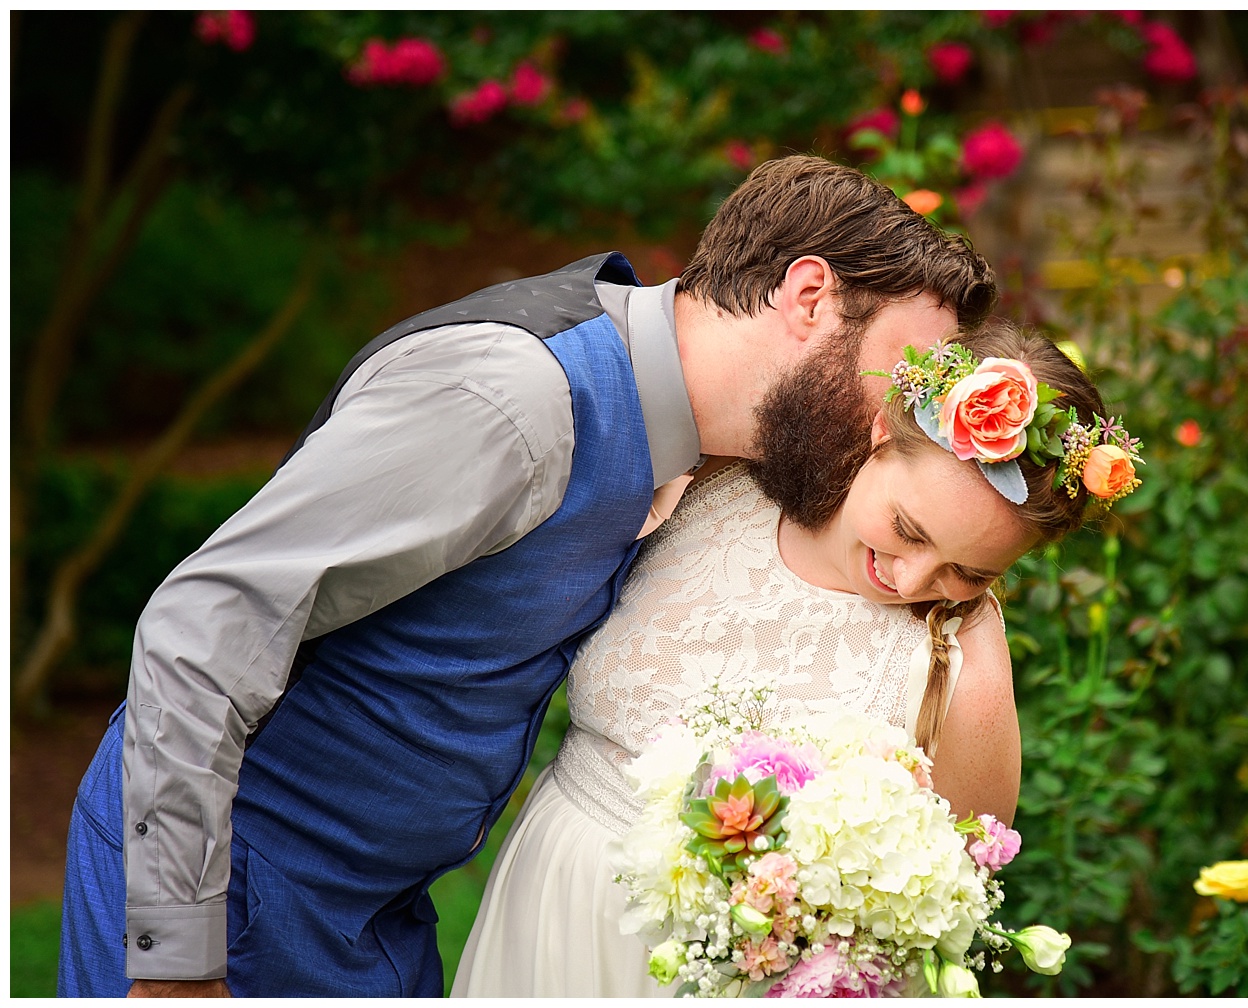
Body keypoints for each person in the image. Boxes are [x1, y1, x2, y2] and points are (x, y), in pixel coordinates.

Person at [56, 155, 996, 998]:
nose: (893, 422)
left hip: (376, 920)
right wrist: (176, 961)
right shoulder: (514, 402)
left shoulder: (708, 447)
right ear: (807, 297)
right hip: (227, 889)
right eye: (901, 376)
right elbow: (203, 625)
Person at [452, 324, 1142, 997]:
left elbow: (948, 900)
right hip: (554, 899)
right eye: (908, 530)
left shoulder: (961, 668)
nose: (909, 581)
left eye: (969, 571)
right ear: (879, 436)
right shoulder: (714, 487)